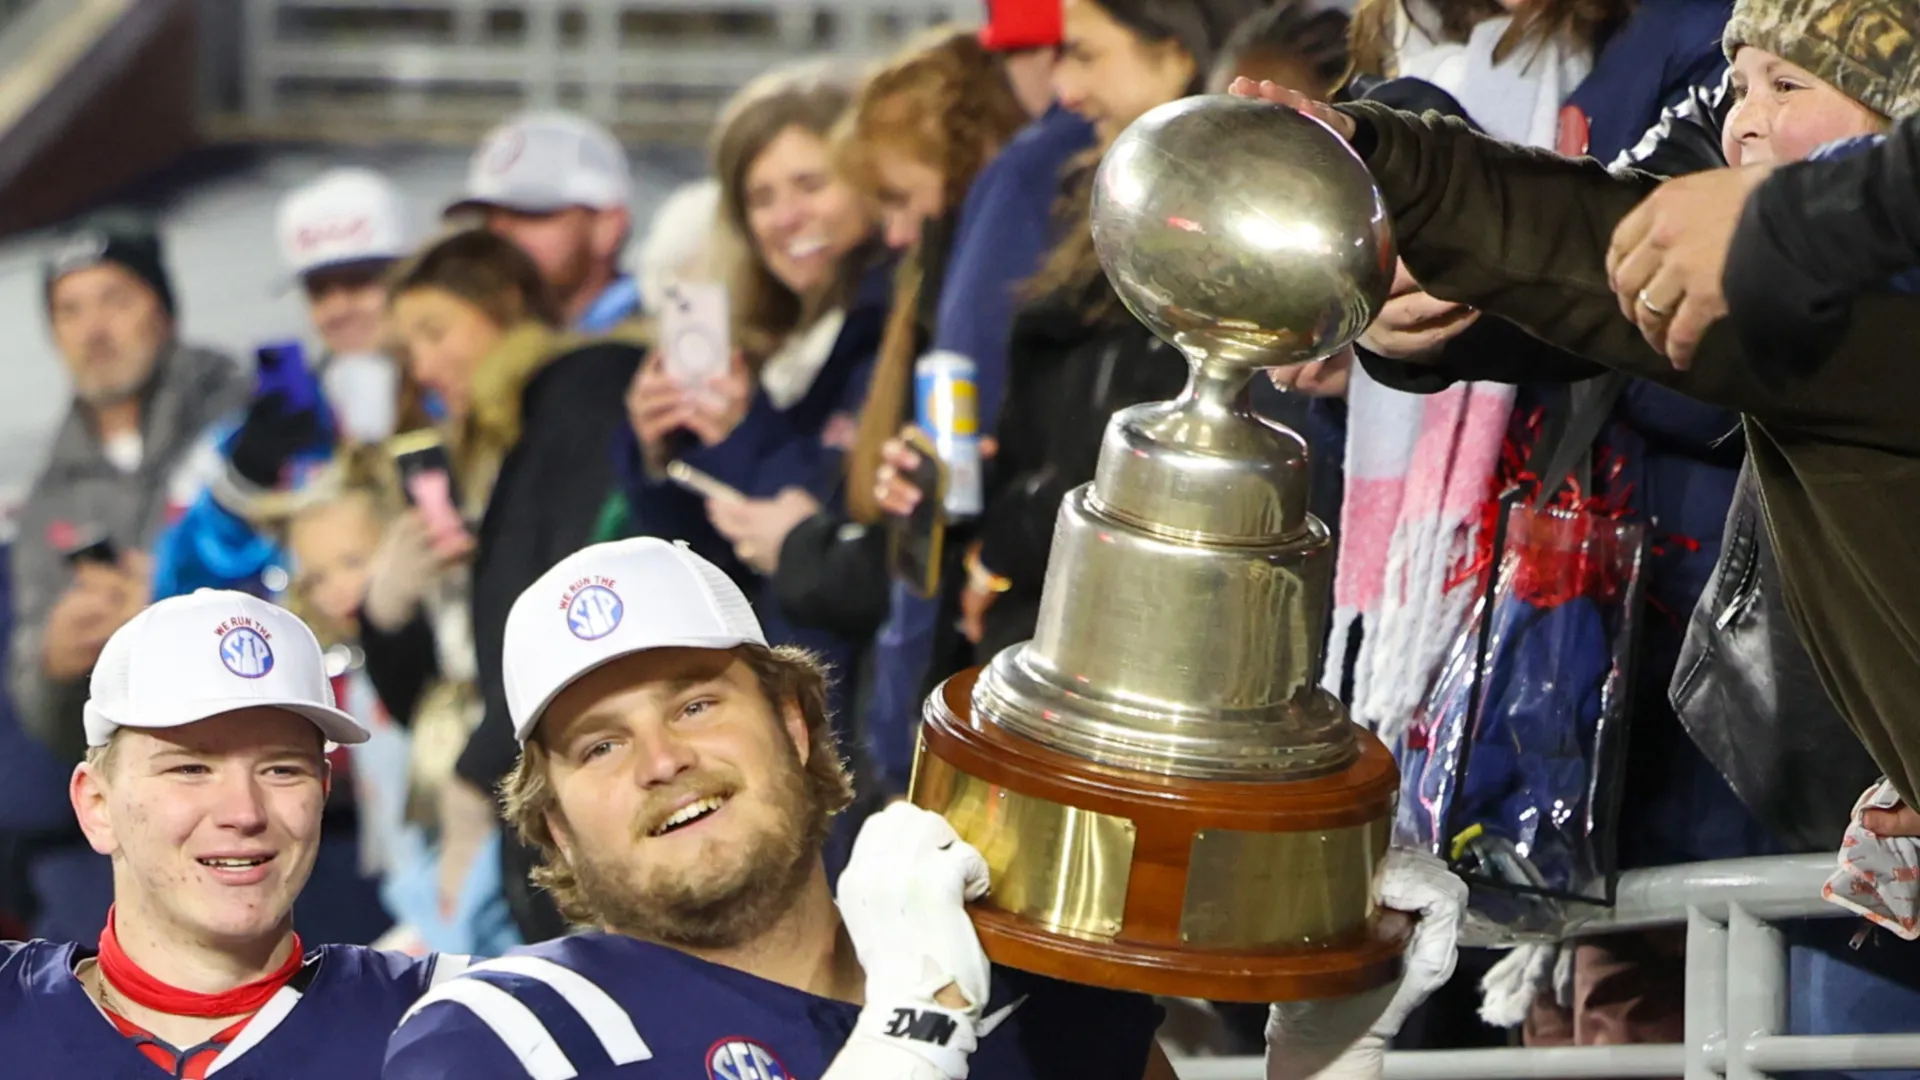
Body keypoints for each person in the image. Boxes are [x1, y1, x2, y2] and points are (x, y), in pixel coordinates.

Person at [383, 536, 1468, 1080]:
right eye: (600, 745)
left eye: (698, 703)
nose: (664, 760)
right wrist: (907, 1044)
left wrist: (1321, 1063)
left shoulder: (1030, 985)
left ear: (798, 726)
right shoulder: (502, 1040)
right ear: (557, 826)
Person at [0, 588, 463, 1077]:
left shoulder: (445, 1023)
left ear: (324, 793)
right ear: (97, 806)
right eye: (191, 768)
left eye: (282, 770)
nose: (244, 812)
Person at [12, 213, 247, 767]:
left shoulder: (247, 425)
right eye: (70, 310)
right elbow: (40, 711)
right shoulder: (50, 497)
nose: (94, 329)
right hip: (155, 773)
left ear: (162, 311)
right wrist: (56, 663)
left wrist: (174, 597)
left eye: (114, 299)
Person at [449, 111, 642, 333]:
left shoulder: (663, 340)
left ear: (608, 228)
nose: (498, 234)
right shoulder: (487, 337)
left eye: (530, 213)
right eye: (487, 218)